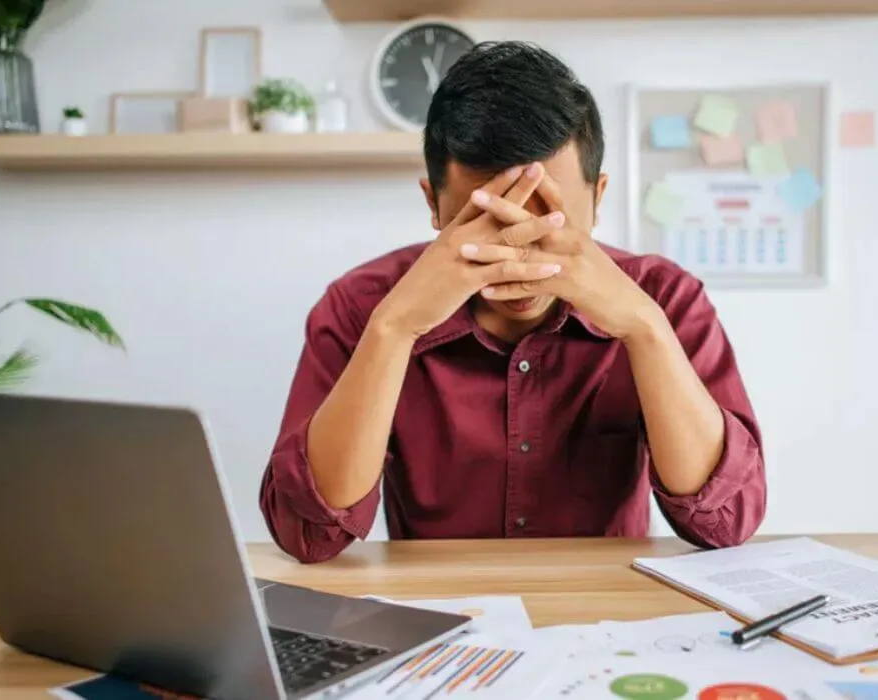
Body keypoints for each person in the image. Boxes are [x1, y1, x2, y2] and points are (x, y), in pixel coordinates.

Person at [260, 41, 766, 564]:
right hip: (437, 603)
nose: (517, 259)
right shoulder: (361, 307)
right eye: (487, 224)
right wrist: (393, 330)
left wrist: (643, 329)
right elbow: (309, 534)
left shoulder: (664, 298)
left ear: (597, 199)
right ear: (434, 204)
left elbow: (727, 521)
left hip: (603, 603)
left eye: (549, 221)